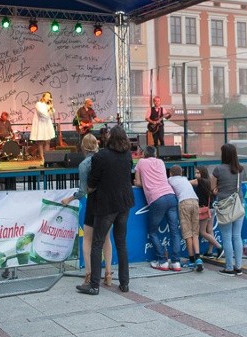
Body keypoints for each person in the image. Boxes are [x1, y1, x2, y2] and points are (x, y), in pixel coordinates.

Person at [76, 126, 134, 295]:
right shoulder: (128, 155)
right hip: (124, 204)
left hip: (107, 204)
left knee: (97, 243)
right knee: (121, 243)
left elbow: (92, 183)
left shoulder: (101, 156)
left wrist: (91, 188)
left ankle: (94, 285)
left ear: (110, 138)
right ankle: (124, 283)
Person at [62, 134, 114, 286]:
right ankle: (108, 274)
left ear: (83, 147)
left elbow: (83, 190)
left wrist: (70, 199)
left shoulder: (84, 164)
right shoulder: (105, 159)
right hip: (108, 203)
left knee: (87, 239)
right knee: (106, 239)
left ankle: (88, 273)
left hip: (93, 203)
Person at [134, 145, 182, 272]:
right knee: (175, 231)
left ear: (144, 153)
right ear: (155, 154)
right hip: (171, 196)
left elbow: (137, 182)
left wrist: (143, 183)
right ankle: (176, 262)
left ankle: (162, 261)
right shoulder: (161, 162)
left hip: (156, 198)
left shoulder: (141, 162)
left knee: (153, 231)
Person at [212, 143, 245, 275]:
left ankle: (229, 267)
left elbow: (213, 189)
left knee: (226, 237)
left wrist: (218, 190)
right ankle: (239, 266)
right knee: (237, 236)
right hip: (238, 205)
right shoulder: (240, 169)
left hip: (224, 206)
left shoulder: (218, 169)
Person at [168, 165, 202, 272]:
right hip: (195, 201)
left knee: (187, 233)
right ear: (181, 173)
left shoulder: (170, 180)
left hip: (184, 202)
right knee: (195, 232)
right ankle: (198, 258)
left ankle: (191, 260)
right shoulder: (184, 179)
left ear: (170, 173)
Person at [192, 165, 221, 258]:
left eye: (197, 172)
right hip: (211, 209)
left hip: (204, 210)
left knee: (202, 232)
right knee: (209, 230)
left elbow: (188, 182)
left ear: (202, 173)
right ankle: (210, 251)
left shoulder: (200, 181)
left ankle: (219, 247)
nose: (196, 175)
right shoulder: (209, 181)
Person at [30, 91, 56, 163]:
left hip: (47, 124)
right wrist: (49, 109)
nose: (49, 98)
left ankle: (47, 157)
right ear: (43, 97)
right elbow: (42, 114)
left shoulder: (48, 105)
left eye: (49, 96)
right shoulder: (39, 104)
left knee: (48, 141)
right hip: (40, 124)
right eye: (47, 96)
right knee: (41, 141)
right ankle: (42, 158)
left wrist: (51, 105)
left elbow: (52, 113)